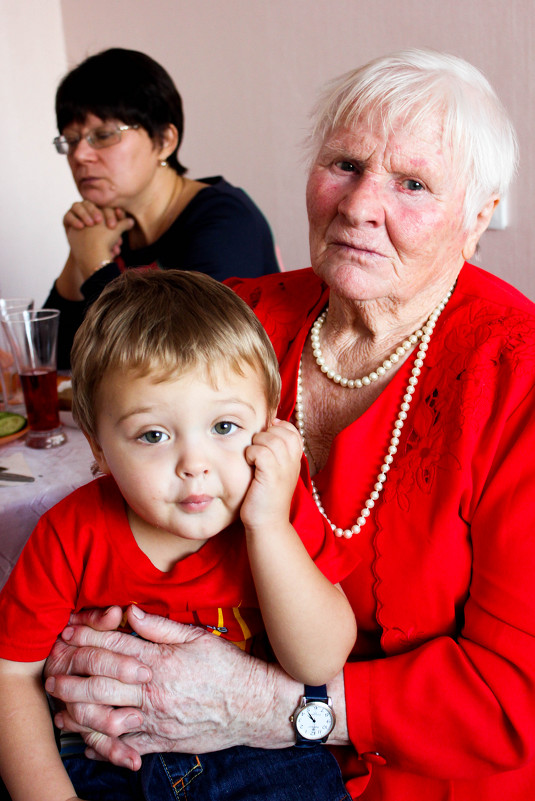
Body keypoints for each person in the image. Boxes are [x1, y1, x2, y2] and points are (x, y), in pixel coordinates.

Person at [40, 48, 535, 800]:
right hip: (190, 754)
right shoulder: (237, 320)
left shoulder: (516, 375)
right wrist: (105, 644)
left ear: (477, 218)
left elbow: (513, 699)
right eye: (343, 163)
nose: (359, 204)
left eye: (411, 183)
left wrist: (276, 708)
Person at [0, 270, 356, 801]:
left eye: (225, 427)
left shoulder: (278, 511)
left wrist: (266, 528)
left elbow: (318, 663)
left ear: (269, 424)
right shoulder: (71, 533)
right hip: (106, 758)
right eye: (153, 435)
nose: (195, 465)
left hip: (263, 755)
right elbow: (11, 677)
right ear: (97, 450)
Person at [45, 48, 281, 370]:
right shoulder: (112, 223)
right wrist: (80, 250)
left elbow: (182, 364)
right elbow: (55, 359)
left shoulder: (224, 222)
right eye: (70, 141)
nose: (80, 155)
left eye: (102, 136)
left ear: (165, 140)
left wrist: (95, 262)